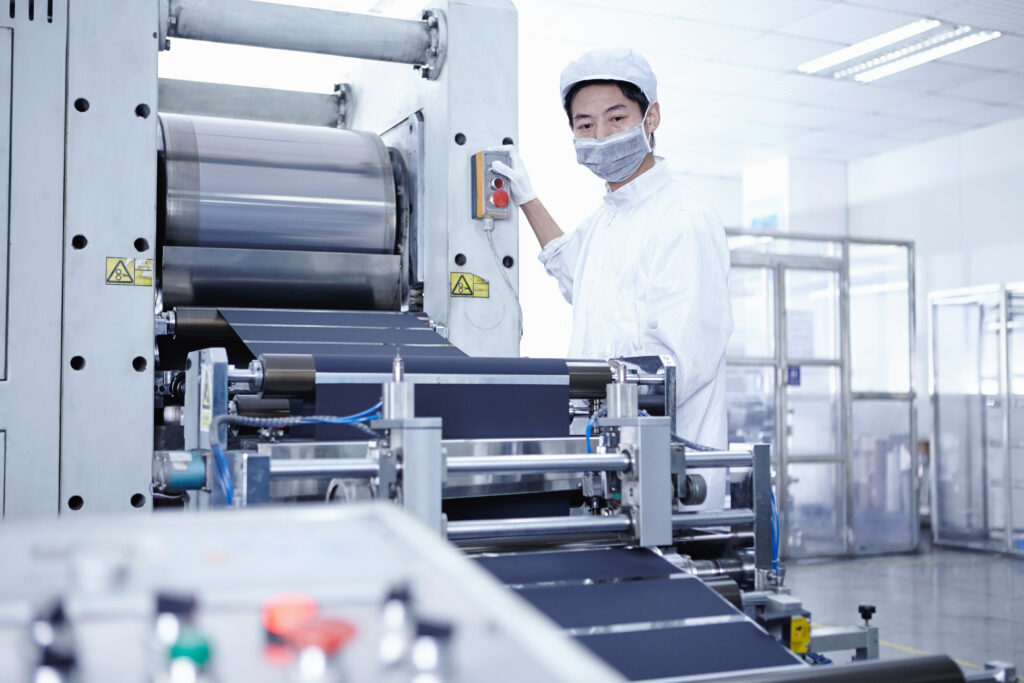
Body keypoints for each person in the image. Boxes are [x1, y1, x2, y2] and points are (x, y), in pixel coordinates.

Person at [492, 47, 733, 450]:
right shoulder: (608, 220)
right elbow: (574, 272)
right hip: (605, 458)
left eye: (616, 118)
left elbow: (679, 366)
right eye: (585, 125)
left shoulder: (684, 217)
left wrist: (561, 388)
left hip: (670, 468)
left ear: (650, 118)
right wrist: (526, 198)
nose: (601, 137)